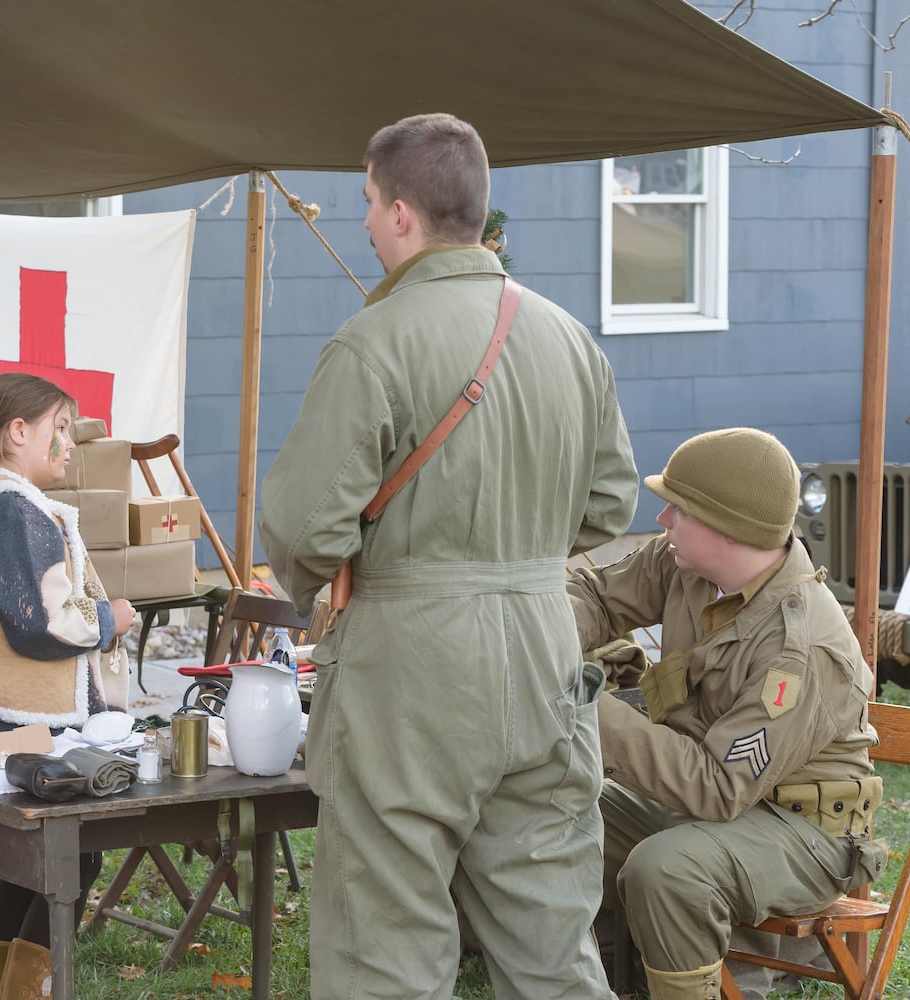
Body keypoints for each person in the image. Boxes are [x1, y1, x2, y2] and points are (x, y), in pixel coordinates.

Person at [258, 112, 637, 1000]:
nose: (360, 221)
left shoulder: (374, 340)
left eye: (365, 202)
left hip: (411, 664)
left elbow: (301, 531)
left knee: (384, 943)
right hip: (547, 649)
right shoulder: (569, 338)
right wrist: (519, 551)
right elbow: (613, 503)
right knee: (552, 943)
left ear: (399, 214)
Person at [568, 427, 887, 1000]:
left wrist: (580, 705)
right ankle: (614, 979)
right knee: (558, 803)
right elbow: (595, 596)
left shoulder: (801, 651)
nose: (662, 519)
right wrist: (538, 639)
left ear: (728, 528)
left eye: (679, 508)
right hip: (711, 804)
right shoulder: (686, 562)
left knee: (669, 868)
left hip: (804, 831)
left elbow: (717, 787)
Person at [0, 372, 135, 995]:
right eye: (61, 428)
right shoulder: (7, 505)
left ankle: (9, 990)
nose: (70, 443)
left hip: (5, 719)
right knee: (71, 856)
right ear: (19, 433)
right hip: (18, 721)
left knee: (27, 867)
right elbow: (39, 622)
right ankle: (22, 992)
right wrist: (109, 619)